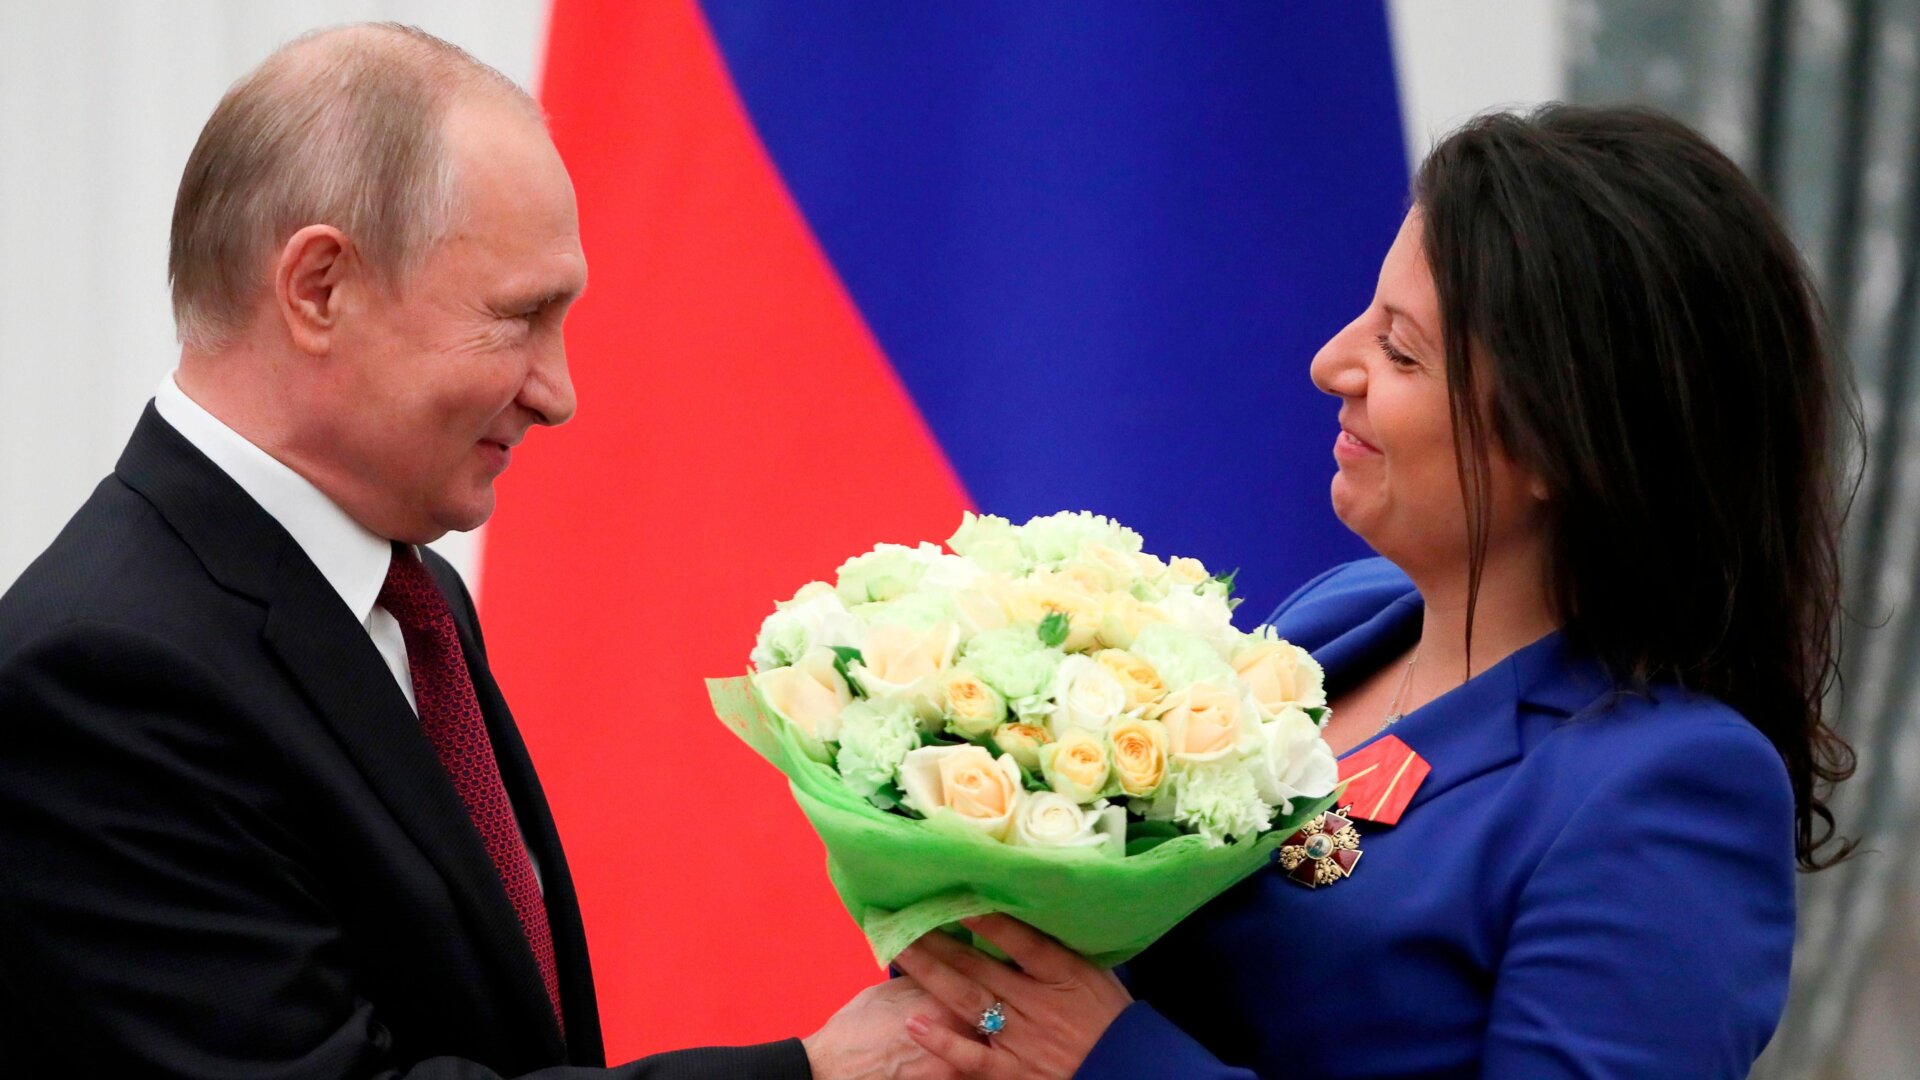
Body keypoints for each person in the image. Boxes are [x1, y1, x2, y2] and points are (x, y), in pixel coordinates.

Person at [0, 23, 965, 1080]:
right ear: (319, 288)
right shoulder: (98, 678)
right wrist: (811, 1075)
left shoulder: (409, 599)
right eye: (518, 318)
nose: (559, 393)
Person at [890, 104, 1857, 1078]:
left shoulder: (1669, 785)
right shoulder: (1343, 615)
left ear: (1565, 440)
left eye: (1401, 351)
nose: (1330, 365)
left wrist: (1111, 1061)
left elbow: (1106, 1037)